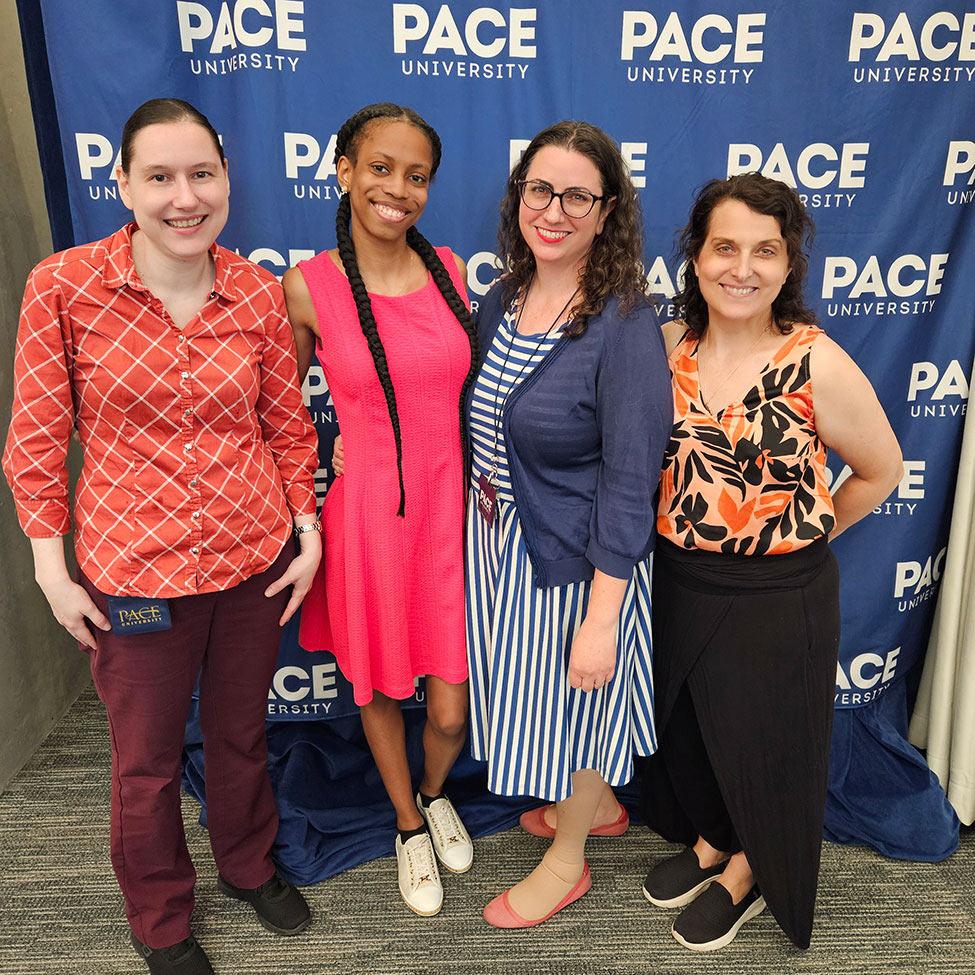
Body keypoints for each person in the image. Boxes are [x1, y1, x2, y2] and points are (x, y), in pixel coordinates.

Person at [2, 99, 321, 975]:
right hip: (132, 573)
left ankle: (249, 864)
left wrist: (307, 531)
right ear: (125, 185)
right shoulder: (63, 286)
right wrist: (50, 571)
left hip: (252, 561)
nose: (185, 197)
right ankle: (159, 916)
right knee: (143, 764)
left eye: (202, 174)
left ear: (226, 180)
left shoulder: (256, 290)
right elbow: (34, 438)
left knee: (240, 733)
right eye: (161, 177)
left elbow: (286, 426)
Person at [640, 172, 903, 952]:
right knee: (689, 732)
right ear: (695, 256)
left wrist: (797, 536)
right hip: (680, 578)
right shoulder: (665, 345)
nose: (741, 268)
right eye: (724, 246)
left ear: (788, 266)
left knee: (767, 741)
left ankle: (750, 869)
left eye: (765, 250)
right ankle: (714, 838)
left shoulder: (814, 361)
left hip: (777, 592)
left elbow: (881, 469)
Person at [464, 120, 673, 928]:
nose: (552, 209)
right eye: (538, 190)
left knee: (582, 701)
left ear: (607, 208)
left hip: (582, 560)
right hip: (502, 546)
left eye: (575, 195)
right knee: (547, 700)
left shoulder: (621, 322)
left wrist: (601, 615)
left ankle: (569, 858)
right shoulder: (504, 296)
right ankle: (594, 806)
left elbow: (629, 480)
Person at [285, 103, 478, 918]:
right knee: (373, 687)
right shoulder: (308, 285)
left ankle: (435, 792)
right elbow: (278, 411)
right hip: (365, 515)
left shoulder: (455, 272)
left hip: (452, 514)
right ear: (343, 171)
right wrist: (311, 482)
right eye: (380, 167)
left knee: (447, 705)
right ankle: (406, 823)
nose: (397, 189)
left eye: (416, 175)